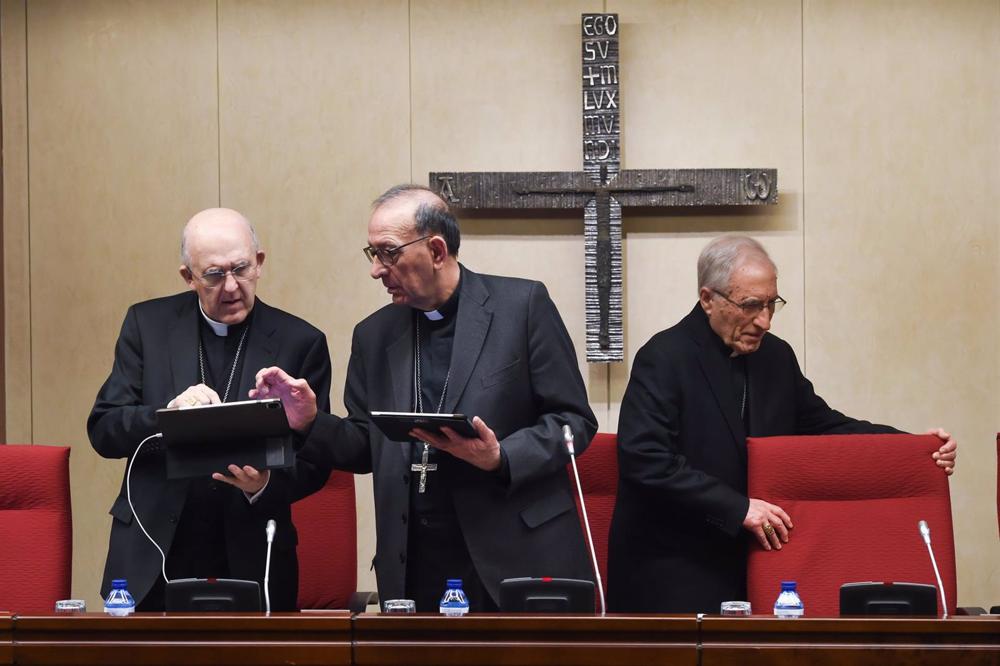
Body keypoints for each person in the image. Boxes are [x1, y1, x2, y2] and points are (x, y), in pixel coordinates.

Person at [251, 184, 598, 611]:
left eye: (389, 252)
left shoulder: (521, 306)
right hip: (417, 563)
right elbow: (365, 446)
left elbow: (574, 421)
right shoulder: (373, 335)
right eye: (372, 253)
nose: (377, 269)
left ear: (436, 250)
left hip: (515, 553)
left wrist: (501, 457)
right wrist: (308, 421)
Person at [607, 235, 958, 614]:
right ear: (708, 299)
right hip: (671, 564)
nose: (764, 320)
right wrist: (738, 508)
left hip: (754, 558)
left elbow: (825, 427)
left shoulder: (775, 357)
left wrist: (915, 448)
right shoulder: (664, 357)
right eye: (751, 306)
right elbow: (645, 459)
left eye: (772, 304)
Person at [88, 208, 332, 611]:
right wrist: (166, 415)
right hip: (153, 550)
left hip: (253, 552)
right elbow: (104, 429)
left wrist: (264, 484)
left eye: (241, 268)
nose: (232, 286)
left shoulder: (301, 342)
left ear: (260, 263)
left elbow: (317, 457)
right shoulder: (147, 326)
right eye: (215, 275)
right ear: (188, 277)